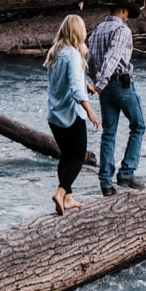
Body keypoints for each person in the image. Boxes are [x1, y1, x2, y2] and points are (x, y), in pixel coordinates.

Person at [86, 0, 146, 195]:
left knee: (109, 133)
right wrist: (101, 83)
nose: (128, 15)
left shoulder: (97, 31)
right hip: (122, 85)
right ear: (122, 10)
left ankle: (106, 183)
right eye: (127, 11)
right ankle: (126, 173)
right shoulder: (122, 30)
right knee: (138, 125)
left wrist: (97, 83)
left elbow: (90, 59)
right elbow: (112, 57)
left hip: (104, 89)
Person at [43, 12, 98, 215]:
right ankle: (60, 192)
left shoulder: (56, 51)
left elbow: (67, 80)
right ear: (78, 32)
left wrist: (87, 85)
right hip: (70, 114)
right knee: (77, 155)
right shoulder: (74, 55)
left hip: (54, 115)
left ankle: (67, 199)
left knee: (66, 155)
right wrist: (90, 111)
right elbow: (75, 89)